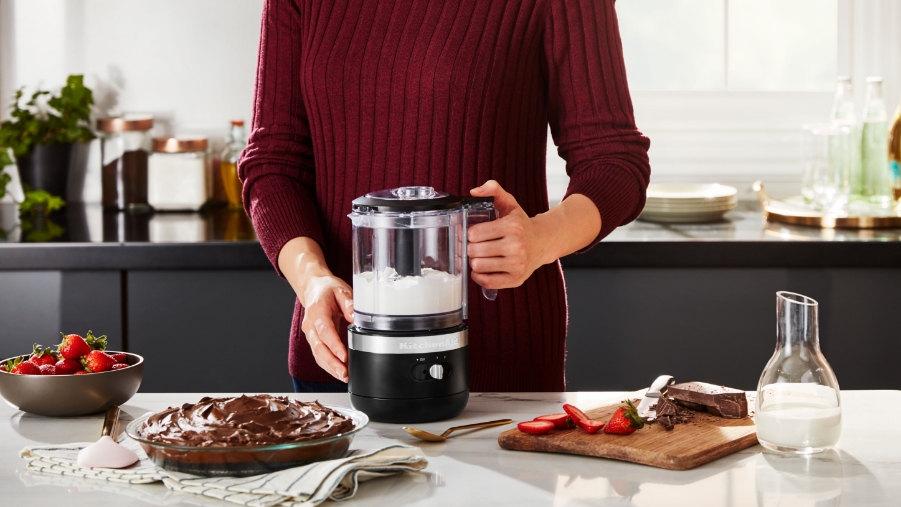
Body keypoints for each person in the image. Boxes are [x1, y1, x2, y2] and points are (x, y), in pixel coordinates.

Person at [239, 0, 651, 393]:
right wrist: (312, 281)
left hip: (495, 360)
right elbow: (273, 162)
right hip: (339, 355)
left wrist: (541, 239)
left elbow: (613, 161)